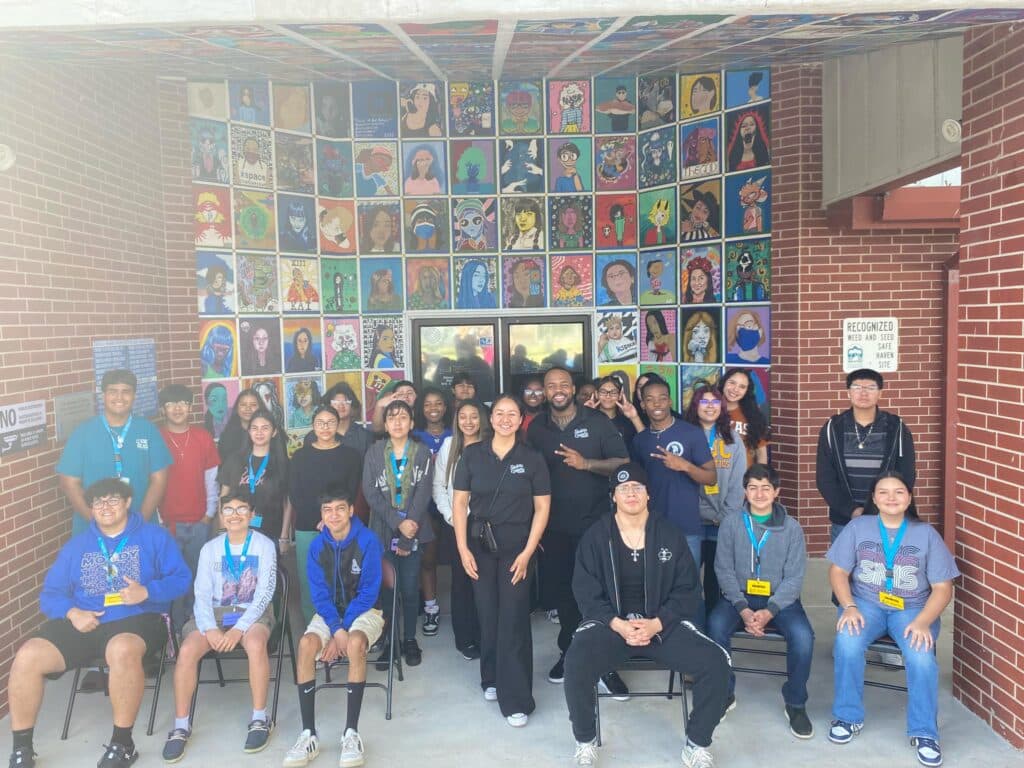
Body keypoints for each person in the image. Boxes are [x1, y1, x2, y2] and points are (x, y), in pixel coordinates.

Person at [8, 478, 190, 768]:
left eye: (113, 500)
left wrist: (148, 591)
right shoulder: (76, 546)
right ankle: (22, 749)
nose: (105, 506)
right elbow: (50, 595)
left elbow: (181, 579)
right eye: (98, 502)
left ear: (128, 502)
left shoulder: (154, 536)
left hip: (139, 619)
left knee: (120, 649)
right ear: (90, 508)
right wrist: (72, 613)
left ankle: (122, 744)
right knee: (28, 654)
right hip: (86, 621)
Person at [564, 462, 731, 768]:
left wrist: (657, 622)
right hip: (612, 625)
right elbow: (585, 591)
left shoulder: (668, 533)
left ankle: (697, 742)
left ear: (648, 494)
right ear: (613, 496)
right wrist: (616, 623)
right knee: (575, 661)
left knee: (716, 663)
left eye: (637, 488)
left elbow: (687, 589)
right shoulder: (597, 536)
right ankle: (585, 740)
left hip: (660, 624)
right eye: (623, 489)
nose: (631, 494)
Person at [826, 472, 958, 768]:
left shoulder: (926, 534)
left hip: (912, 610)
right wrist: (847, 606)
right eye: (883, 492)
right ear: (873, 498)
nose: (891, 498)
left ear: (909, 497)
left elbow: (942, 588)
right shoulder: (858, 527)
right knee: (847, 643)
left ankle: (925, 732)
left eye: (898, 492)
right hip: (864, 604)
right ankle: (848, 717)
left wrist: (924, 622)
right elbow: (837, 571)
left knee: (922, 658)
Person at [526, 368, 629, 695]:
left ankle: (606, 664)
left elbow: (623, 463)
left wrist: (587, 464)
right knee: (565, 595)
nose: (557, 390)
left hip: (595, 526)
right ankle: (569, 653)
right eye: (551, 386)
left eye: (563, 385)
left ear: (573, 389)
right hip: (554, 529)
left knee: (600, 593)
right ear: (544, 391)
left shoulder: (597, 422)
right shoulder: (536, 429)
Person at [453, 394, 551, 727]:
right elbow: (459, 504)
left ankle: (517, 699)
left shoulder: (532, 459)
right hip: (479, 544)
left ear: (520, 420)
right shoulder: (471, 455)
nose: (505, 419)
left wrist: (528, 552)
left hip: (516, 548)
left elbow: (542, 509)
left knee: (513, 618)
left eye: (512, 414)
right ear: (490, 419)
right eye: (499, 413)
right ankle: (491, 677)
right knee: (488, 613)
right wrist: (463, 549)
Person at [162, 489, 278, 761]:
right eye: (228, 510)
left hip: (252, 612)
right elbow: (201, 593)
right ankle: (180, 726)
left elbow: (265, 591)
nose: (235, 515)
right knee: (188, 650)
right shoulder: (210, 548)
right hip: (212, 613)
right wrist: (209, 628)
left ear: (252, 515)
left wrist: (240, 627)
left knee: (256, 643)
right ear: (221, 516)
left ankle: (260, 718)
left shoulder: (264, 545)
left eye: (241, 510)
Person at [707, 464, 815, 738]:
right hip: (738, 598)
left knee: (804, 637)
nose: (759, 493)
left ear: (776, 492)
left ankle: (795, 702)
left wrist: (769, 611)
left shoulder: (792, 529)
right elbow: (723, 569)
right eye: (753, 487)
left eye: (766, 488)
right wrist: (743, 609)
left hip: (779, 600)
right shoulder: (732, 523)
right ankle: (724, 692)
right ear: (745, 491)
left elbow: (794, 578)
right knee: (715, 627)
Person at [283, 487, 384, 768]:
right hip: (331, 614)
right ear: (321, 515)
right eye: (328, 510)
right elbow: (319, 595)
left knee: (354, 643)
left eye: (340, 508)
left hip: (365, 611)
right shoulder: (317, 546)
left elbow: (367, 593)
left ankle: (351, 733)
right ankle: (308, 735)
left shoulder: (368, 540)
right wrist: (336, 629)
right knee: (305, 645)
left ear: (351, 510)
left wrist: (343, 631)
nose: (334, 515)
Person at [57, 368, 172, 536]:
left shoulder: (148, 430)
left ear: (134, 396)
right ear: (103, 395)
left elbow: (159, 480)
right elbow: (69, 482)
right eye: (113, 391)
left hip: (140, 528)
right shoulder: (83, 432)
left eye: (126, 392)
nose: (119, 397)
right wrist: (99, 523)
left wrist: (139, 522)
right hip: (92, 530)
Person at [362, 400, 433, 667]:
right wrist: (396, 522)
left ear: (412, 423)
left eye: (403, 417)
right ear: (385, 423)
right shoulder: (374, 452)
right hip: (382, 530)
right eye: (392, 417)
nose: (398, 422)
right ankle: (390, 640)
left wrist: (407, 532)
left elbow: (423, 493)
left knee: (410, 587)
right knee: (387, 588)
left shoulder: (422, 452)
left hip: (413, 531)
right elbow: (370, 492)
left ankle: (410, 639)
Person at [630, 378, 716, 587]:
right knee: (656, 584)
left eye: (662, 399)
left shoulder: (691, 433)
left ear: (670, 401)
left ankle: (692, 621)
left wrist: (685, 466)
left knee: (689, 585)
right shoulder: (640, 440)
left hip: (686, 526)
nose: (657, 404)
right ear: (643, 405)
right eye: (650, 400)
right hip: (652, 526)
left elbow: (711, 477)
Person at [816, 369, 916, 542]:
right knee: (845, 568)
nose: (863, 393)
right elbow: (825, 478)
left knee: (886, 567)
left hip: (887, 518)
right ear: (848, 392)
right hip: (845, 521)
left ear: (880, 393)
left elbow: (907, 474)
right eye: (857, 387)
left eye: (870, 387)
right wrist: (852, 510)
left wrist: (882, 508)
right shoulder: (833, 428)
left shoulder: (896, 428)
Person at [289, 406, 364, 621]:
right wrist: (320, 519)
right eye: (320, 422)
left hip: (341, 527)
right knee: (310, 580)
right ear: (313, 425)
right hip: (308, 526)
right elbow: (295, 493)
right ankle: (314, 631)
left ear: (337, 423)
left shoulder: (350, 455)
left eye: (330, 422)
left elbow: (351, 491)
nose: (325, 427)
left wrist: (332, 519)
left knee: (341, 579)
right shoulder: (300, 456)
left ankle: (341, 630)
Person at [157, 384, 221, 633]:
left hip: (198, 522)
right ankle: (171, 631)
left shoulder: (202, 437)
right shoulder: (157, 438)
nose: (177, 409)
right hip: (168, 523)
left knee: (199, 577)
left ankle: (196, 628)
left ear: (190, 407)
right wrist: (160, 517)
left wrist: (209, 514)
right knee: (172, 577)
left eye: (182, 403)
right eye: (171, 404)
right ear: (163, 409)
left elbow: (211, 477)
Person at [683, 384, 745, 617]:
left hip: (723, 522)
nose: (710, 407)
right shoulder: (685, 434)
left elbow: (739, 482)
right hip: (693, 519)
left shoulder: (733, 438)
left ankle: (713, 627)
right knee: (688, 578)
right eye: (704, 401)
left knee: (716, 579)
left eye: (715, 402)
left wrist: (725, 515)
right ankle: (692, 624)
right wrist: (705, 513)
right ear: (695, 405)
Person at [432, 399, 488, 660]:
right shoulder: (448, 446)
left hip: (488, 525)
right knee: (462, 583)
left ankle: (485, 633)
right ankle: (465, 639)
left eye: (474, 416)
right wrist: (452, 516)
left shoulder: (491, 446)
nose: (468, 422)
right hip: (458, 525)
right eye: (463, 417)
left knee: (485, 581)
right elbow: (439, 487)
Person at [412, 388, 453, 636]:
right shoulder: (415, 437)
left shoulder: (455, 433)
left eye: (438, 403)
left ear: (446, 407)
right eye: (428, 404)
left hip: (454, 504)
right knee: (428, 560)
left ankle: (467, 605)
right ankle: (431, 608)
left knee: (461, 560)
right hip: (425, 507)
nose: (433, 408)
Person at [218, 409, 291, 546]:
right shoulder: (234, 460)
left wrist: (284, 536)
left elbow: (287, 503)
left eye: (265, 428)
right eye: (254, 428)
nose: (259, 432)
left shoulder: (283, 464)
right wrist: (222, 528)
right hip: (236, 530)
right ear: (249, 431)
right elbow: (223, 496)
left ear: (274, 432)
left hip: (270, 533)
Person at [303, 382, 373, 458]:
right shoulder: (313, 437)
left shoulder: (365, 436)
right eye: (336, 402)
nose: (341, 406)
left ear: (352, 406)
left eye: (346, 402)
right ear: (328, 405)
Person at [722, 369, 769, 466]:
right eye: (732, 383)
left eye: (742, 387)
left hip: (743, 477)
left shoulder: (753, 416)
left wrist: (758, 478)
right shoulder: (709, 410)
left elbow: (761, 454)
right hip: (712, 478)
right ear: (723, 382)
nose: (735, 389)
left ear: (747, 391)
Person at [585, 375, 638, 447]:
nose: (608, 396)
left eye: (613, 392)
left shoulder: (626, 423)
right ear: (596, 394)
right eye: (603, 392)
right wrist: (585, 414)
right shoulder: (588, 419)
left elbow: (644, 442)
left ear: (620, 395)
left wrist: (634, 417)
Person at [217, 388, 261, 459]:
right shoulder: (227, 436)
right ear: (237, 408)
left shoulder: (268, 433)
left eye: (253, 405)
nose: (248, 408)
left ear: (260, 407)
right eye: (243, 405)